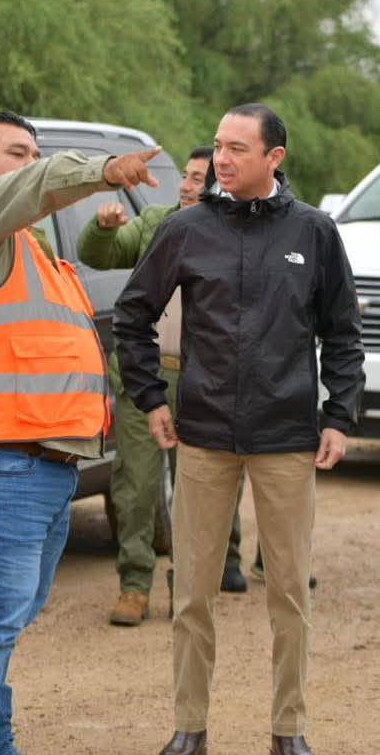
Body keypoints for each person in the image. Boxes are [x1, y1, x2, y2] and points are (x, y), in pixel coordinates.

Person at [114, 103, 362, 755]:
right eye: (218, 146)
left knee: (290, 594)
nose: (221, 159)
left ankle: (289, 731)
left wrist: (340, 415)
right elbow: (132, 316)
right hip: (202, 435)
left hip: (286, 437)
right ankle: (189, 728)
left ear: (274, 157)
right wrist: (150, 397)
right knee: (192, 593)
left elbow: (342, 333)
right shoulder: (186, 229)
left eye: (237, 149)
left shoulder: (314, 232)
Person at [0, 112, 159, 755]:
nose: (30, 163)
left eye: (34, 152)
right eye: (16, 152)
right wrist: (104, 170)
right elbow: (39, 185)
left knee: (4, 619)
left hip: (37, 466)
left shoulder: (23, 245)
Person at [77, 146, 249, 627]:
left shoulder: (237, 235)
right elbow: (98, 254)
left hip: (206, 383)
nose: (187, 186)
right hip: (145, 379)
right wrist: (102, 228)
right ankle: (134, 586)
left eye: (198, 178)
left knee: (200, 490)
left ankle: (188, 586)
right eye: (186, 176)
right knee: (135, 486)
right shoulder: (156, 222)